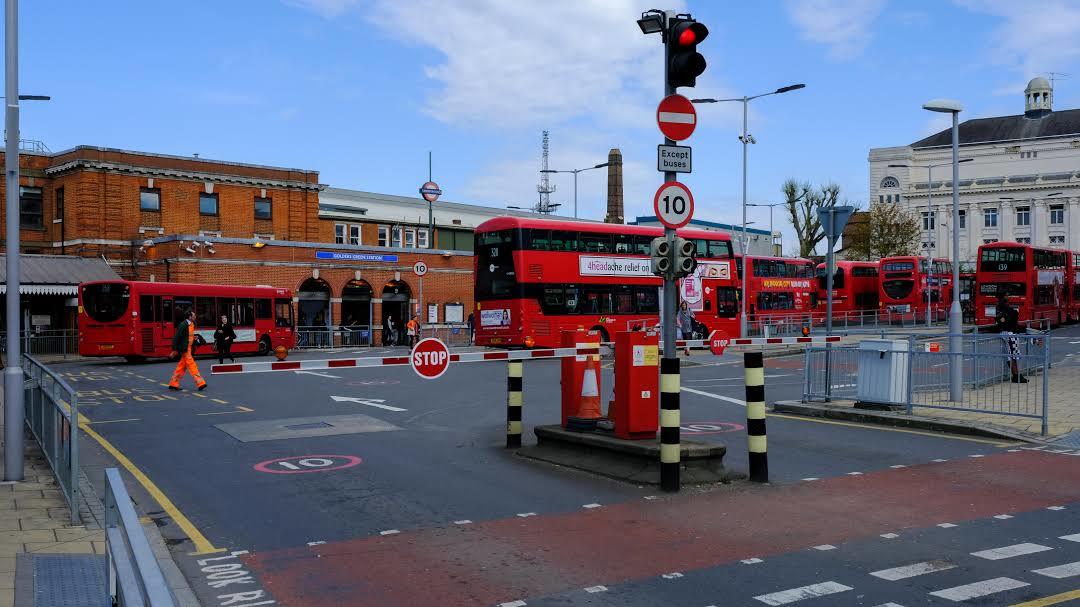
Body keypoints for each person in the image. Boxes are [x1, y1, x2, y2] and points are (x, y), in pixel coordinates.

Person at [169, 310, 207, 391]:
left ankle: (173, 383)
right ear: (189, 317)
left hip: (189, 348)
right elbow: (176, 337)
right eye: (194, 315)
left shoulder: (192, 324)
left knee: (181, 367)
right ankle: (200, 383)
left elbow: (188, 336)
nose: (195, 316)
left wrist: (194, 338)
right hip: (185, 349)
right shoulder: (183, 325)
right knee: (192, 365)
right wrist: (174, 350)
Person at [995, 293, 1027, 383]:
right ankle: (1016, 375)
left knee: (1013, 354)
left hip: (1008, 332)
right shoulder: (1005, 309)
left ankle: (1016, 375)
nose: (1008, 297)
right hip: (1010, 333)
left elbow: (1001, 320)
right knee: (1013, 355)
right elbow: (1009, 318)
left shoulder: (1000, 308)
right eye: (1006, 295)